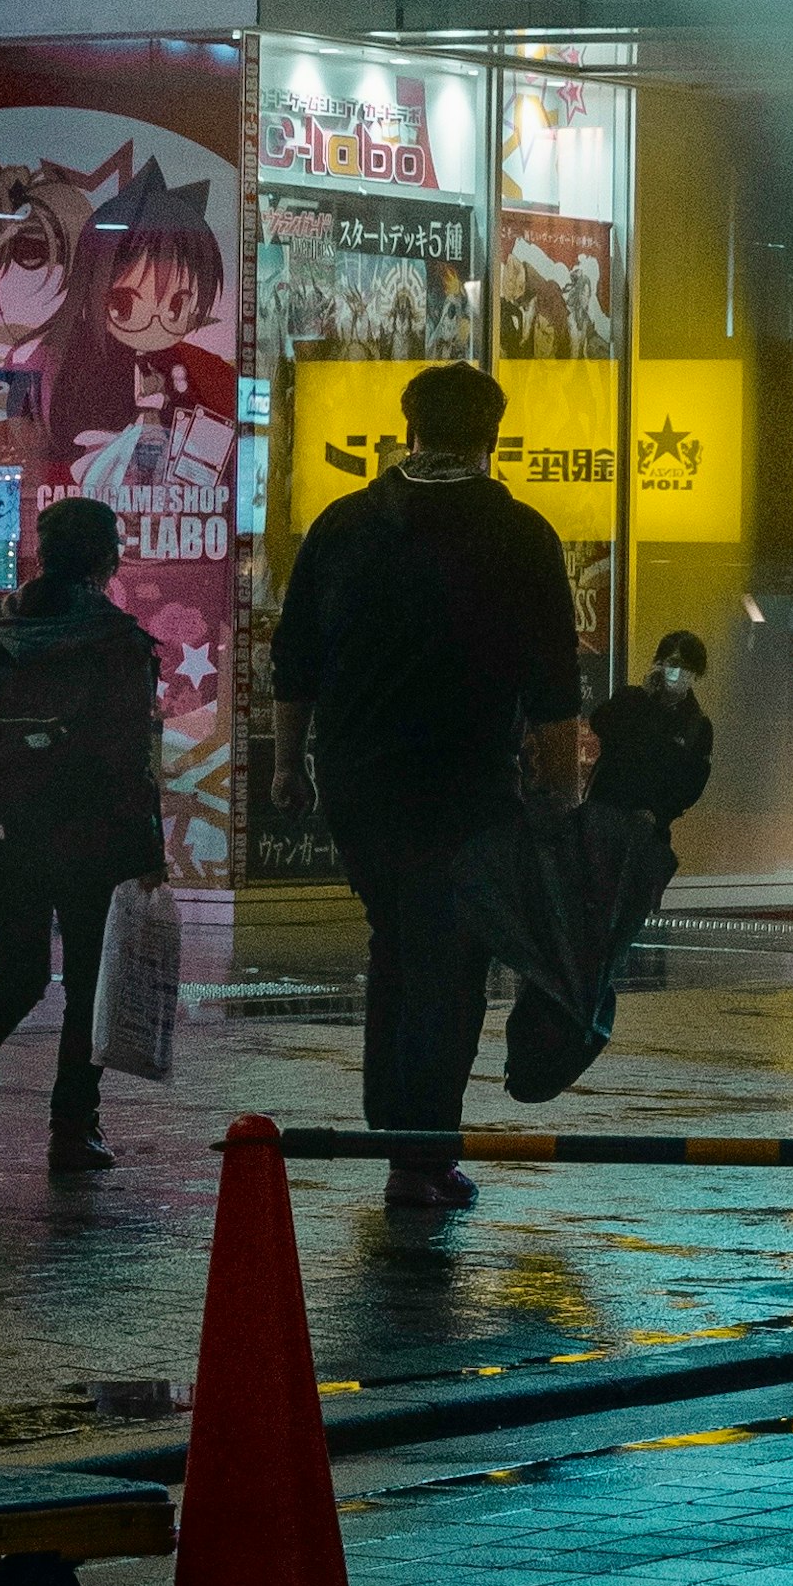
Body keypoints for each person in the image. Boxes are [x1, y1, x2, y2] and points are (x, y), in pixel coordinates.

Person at [268, 362, 582, 1220]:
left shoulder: (344, 524)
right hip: (464, 783)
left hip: (358, 782)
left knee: (398, 944)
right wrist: (560, 798)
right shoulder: (519, 534)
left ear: (407, 430)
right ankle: (419, 1156)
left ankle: (398, 1137)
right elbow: (555, 689)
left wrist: (287, 765)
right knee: (448, 959)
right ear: (493, 436)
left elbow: (294, 659)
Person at [0, 499, 163, 1177]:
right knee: (89, 979)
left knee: (22, 970)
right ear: (105, 558)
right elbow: (126, 759)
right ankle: (71, 1127)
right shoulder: (113, 640)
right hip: (89, 833)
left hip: (0, 826)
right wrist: (148, 853)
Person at [589, 628, 715, 836]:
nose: (678, 672)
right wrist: (644, 696)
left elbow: (692, 783)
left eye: (686, 666)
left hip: (648, 830)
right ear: (660, 664)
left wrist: (658, 813)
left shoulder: (697, 726)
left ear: (696, 672)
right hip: (602, 816)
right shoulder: (632, 698)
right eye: (673, 663)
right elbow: (601, 723)